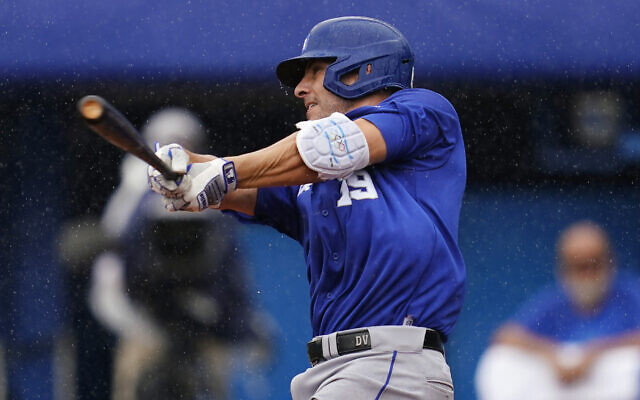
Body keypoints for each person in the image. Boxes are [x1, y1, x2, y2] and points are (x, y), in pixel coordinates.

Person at [148, 16, 466, 399]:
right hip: (333, 369)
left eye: (315, 71)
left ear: (362, 69)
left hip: (390, 362)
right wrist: (184, 169)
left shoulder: (424, 110)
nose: (301, 89)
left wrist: (223, 171)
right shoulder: (311, 183)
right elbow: (244, 189)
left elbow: (327, 149)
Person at [90, 108, 271, 400]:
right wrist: (142, 326)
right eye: (165, 144)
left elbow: (230, 274)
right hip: (143, 322)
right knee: (136, 376)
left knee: (212, 378)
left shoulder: (211, 195)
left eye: (184, 143)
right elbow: (109, 277)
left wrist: (240, 325)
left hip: (205, 329)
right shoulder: (131, 197)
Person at [476, 221, 640, 400]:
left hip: (610, 388)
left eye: (593, 265)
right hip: (562, 386)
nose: (587, 276)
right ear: (564, 268)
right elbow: (505, 335)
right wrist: (552, 357)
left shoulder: (630, 292)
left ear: (609, 262)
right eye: (579, 266)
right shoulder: (556, 299)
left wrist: (593, 354)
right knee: (500, 360)